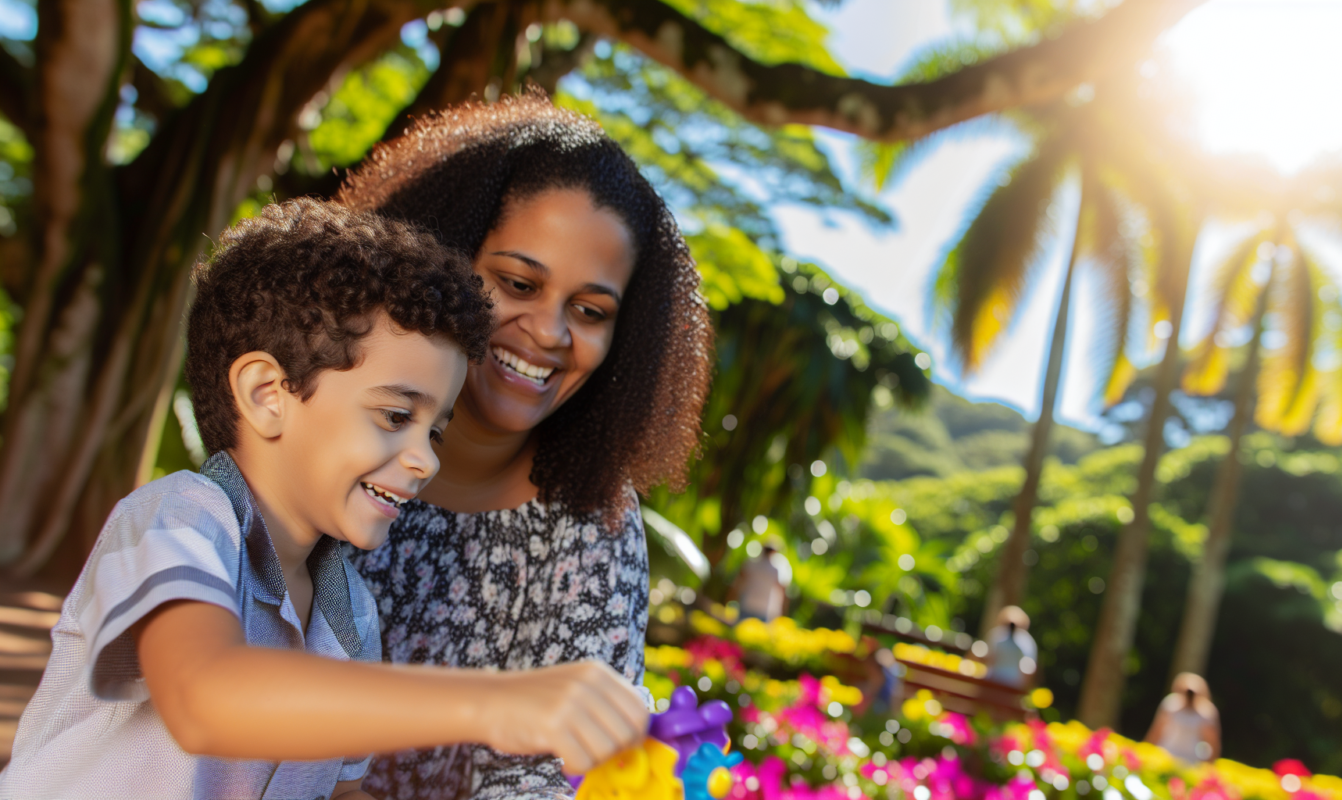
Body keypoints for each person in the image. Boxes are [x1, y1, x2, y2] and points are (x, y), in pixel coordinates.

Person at [0, 200, 649, 799]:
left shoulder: (351, 617)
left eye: (437, 428)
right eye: (396, 415)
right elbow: (204, 699)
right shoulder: (181, 520)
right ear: (266, 394)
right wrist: (499, 703)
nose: (425, 458)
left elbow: (337, 791)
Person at [336, 92, 713, 798]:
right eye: (516, 282)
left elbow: (548, 776)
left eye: (591, 311)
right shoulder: (325, 446)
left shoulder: (592, 524)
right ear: (439, 257)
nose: (548, 332)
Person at [1145, 672, 1222, 764]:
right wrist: (1146, 751)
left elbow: (1212, 742)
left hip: (1191, 760)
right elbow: (1156, 731)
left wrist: (1211, 765)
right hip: (1166, 753)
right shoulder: (1171, 705)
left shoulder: (1206, 712)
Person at [731, 541, 792, 622]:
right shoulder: (775, 570)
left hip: (748, 605)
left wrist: (733, 597)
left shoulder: (751, 563)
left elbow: (739, 582)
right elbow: (781, 590)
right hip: (763, 609)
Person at [983, 605, 1038, 689]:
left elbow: (988, 657)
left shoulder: (996, 634)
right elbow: (1029, 668)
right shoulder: (1027, 641)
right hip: (1012, 684)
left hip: (994, 681)